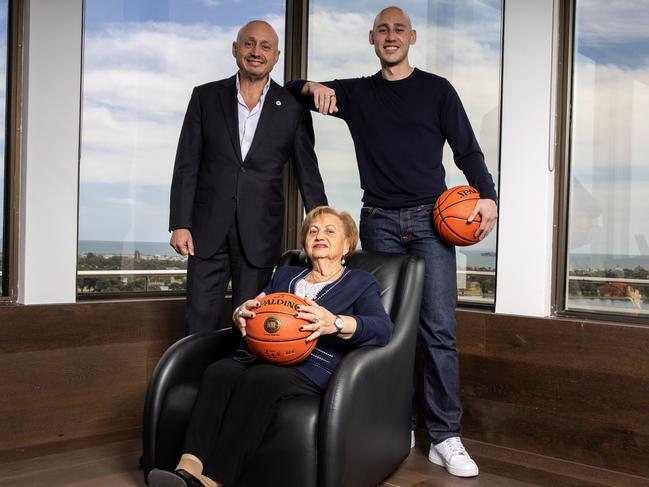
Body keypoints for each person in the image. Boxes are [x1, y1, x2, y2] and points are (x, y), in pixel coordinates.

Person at [285, 6, 498, 478]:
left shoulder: (437, 90)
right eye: (383, 30)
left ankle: (445, 436)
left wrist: (490, 197)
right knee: (383, 334)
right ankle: (392, 426)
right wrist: (310, 86)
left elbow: (467, 149)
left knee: (438, 330)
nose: (391, 36)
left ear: (412, 37)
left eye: (399, 29)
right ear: (371, 38)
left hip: (431, 222)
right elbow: (288, 87)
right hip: (377, 221)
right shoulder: (357, 93)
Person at [148, 206, 394, 487]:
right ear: (304, 242)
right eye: (312, 231)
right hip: (259, 354)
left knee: (260, 379)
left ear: (347, 244)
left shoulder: (360, 282)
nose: (319, 236)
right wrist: (241, 311)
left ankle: (213, 480)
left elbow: (382, 329)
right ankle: (186, 469)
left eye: (329, 231)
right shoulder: (286, 275)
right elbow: (258, 305)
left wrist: (335, 323)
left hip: (312, 364)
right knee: (219, 371)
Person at [169, 20, 327, 335]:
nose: (256, 52)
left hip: (260, 233)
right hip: (206, 231)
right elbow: (187, 162)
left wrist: (324, 223)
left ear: (277, 56)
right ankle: (198, 384)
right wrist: (180, 223)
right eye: (249, 44)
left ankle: (238, 385)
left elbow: (308, 172)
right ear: (235, 49)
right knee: (198, 323)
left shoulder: (293, 108)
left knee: (253, 327)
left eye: (265, 46)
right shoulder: (205, 97)